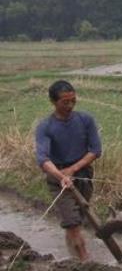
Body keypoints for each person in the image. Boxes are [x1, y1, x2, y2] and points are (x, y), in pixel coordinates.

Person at [35, 80, 102, 261]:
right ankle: (84, 261)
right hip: (58, 178)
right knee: (72, 221)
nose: (70, 105)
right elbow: (43, 159)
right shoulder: (45, 127)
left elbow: (95, 150)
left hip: (83, 174)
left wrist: (73, 169)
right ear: (53, 102)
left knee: (79, 217)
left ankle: (72, 252)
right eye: (65, 102)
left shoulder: (85, 120)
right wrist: (61, 175)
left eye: (73, 100)